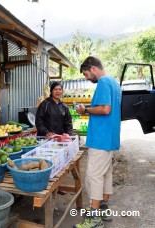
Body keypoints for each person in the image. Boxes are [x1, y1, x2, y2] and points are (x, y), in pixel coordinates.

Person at [74, 56, 121, 228]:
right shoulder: (114, 83)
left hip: (101, 139)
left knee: (94, 176)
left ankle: (94, 219)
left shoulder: (102, 82)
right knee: (106, 173)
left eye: (86, 74)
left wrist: (84, 109)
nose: (86, 78)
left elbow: (105, 109)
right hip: (110, 137)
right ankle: (103, 209)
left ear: (93, 68)